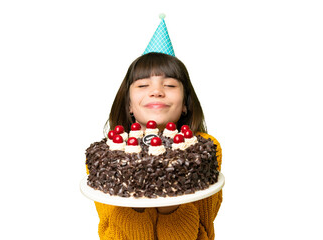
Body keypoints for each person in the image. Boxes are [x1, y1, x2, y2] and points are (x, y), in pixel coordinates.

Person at [87, 52, 223, 239]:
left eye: (169, 85)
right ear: (129, 105)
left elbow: (203, 234)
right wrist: (133, 192)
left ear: (185, 103)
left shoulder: (204, 150)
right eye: (143, 85)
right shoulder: (108, 155)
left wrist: (171, 199)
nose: (156, 91)